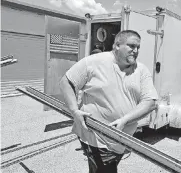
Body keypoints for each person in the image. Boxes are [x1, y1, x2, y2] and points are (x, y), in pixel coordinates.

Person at [59, 30, 158, 173]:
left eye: (138, 47)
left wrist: (125, 119)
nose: (135, 51)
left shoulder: (141, 70)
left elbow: (151, 102)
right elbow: (66, 82)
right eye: (131, 46)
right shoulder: (94, 62)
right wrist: (75, 111)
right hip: (96, 137)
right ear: (117, 45)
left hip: (121, 139)